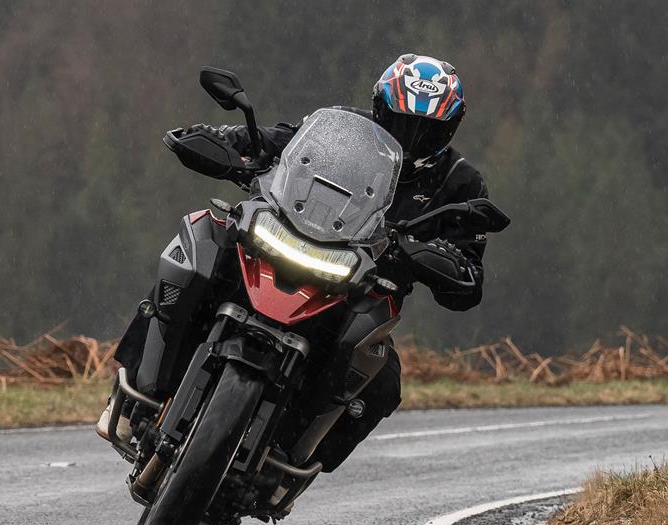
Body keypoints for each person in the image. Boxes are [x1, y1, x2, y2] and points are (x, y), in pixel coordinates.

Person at [101, 54, 491, 471]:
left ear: (450, 126)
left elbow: (468, 269)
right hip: (276, 241)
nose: (411, 138)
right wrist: (225, 143)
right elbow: (275, 142)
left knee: (383, 377)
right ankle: (137, 395)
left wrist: (433, 258)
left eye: (428, 129)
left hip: (358, 288)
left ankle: (289, 463)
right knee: (200, 244)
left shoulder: (460, 183)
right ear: (380, 106)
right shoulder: (339, 129)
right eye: (400, 121)